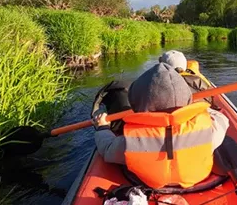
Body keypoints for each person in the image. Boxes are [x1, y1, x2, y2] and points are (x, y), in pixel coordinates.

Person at [93, 63, 229, 188]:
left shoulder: (131, 141)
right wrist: (200, 109)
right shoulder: (209, 130)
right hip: (197, 180)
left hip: (148, 183)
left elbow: (107, 149)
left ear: (137, 103)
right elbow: (223, 119)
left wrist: (103, 127)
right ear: (187, 99)